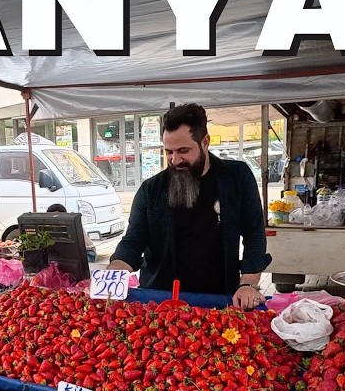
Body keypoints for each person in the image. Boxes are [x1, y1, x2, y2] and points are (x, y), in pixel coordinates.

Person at [108, 103, 270, 309]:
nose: (175, 160)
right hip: (160, 300)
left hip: (220, 298)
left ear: (205, 142)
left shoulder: (236, 177)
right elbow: (133, 241)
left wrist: (248, 283)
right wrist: (113, 274)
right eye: (168, 152)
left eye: (183, 151)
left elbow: (254, 232)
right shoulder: (151, 190)